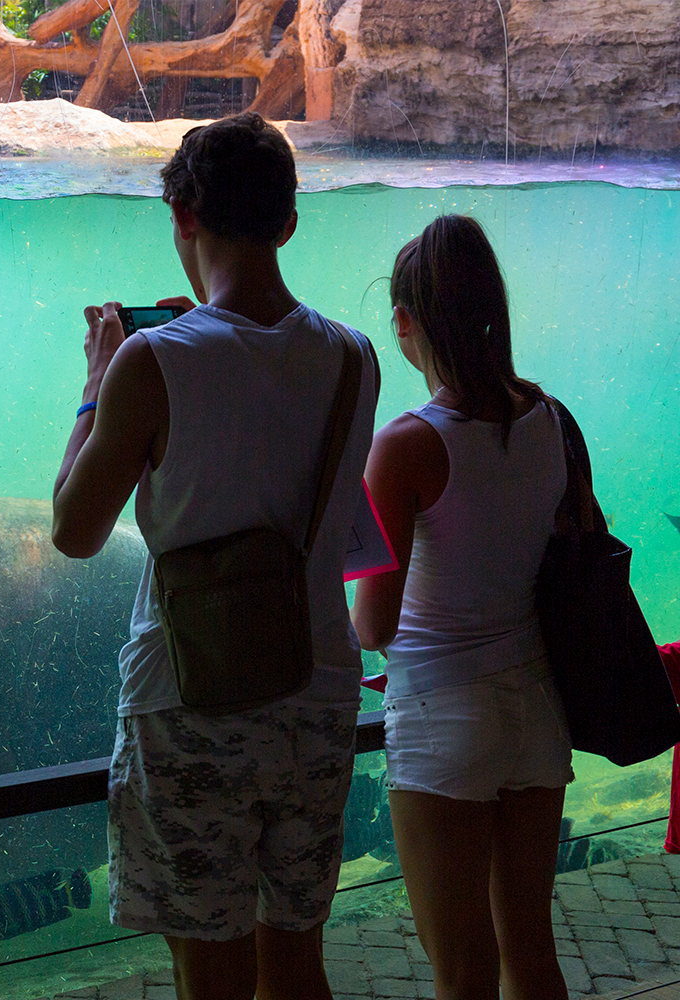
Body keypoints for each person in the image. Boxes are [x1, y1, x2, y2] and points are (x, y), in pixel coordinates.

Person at [52, 112, 380, 1000]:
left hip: (191, 697)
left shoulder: (152, 361)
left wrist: (94, 385)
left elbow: (74, 530)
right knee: (297, 959)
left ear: (182, 215)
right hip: (316, 692)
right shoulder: (355, 359)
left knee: (212, 974)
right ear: (288, 222)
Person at [350, 214, 572, 1000]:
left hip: (446, 720)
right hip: (539, 711)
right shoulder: (552, 418)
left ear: (406, 323)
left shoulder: (406, 443)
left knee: (462, 973)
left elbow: (374, 625)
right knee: (531, 955)